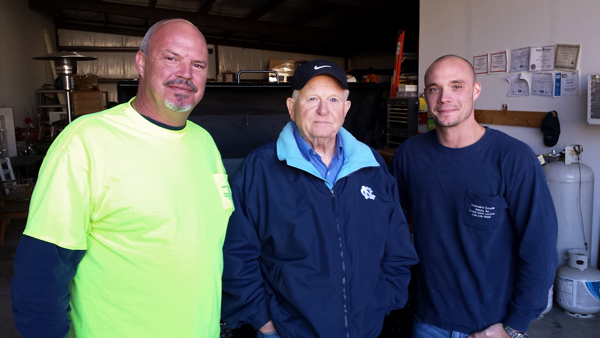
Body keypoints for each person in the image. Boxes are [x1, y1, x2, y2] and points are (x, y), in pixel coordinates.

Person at [11, 19, 234, 338]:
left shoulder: (205, 144)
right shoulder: (85, 142)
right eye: (171, 58)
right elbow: (41, 275)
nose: (185, 73)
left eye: (197, 64)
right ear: (141, 63)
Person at [221, 59, 419, 338]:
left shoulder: (371, 165)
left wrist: (382, 301)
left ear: (346, 109)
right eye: (312, 98)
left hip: (366, 329)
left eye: (333, 99)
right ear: (291, 108)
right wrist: (263, 320)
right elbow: (236, 253)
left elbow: (397, 245)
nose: (324, 109)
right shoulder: (260, 168)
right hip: (288, 331)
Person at [389, 55, 558, 338]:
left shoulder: (513, 158)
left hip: (493, 325)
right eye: (434, 88)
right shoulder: (410, 155)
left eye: (456, 86)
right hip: (428, 320)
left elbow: (539, 247)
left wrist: (515, 326)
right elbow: (389, 228)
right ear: (425, 96)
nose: (444, 98)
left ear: (475, 91)